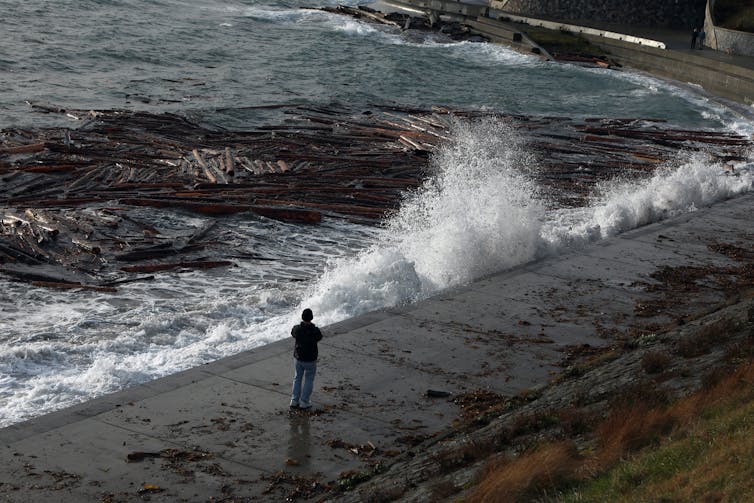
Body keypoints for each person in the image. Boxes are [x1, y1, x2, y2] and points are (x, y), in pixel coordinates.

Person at [290, 308, 322, 410]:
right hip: (310, 359)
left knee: (297, 378)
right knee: (309, 379)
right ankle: (304, 401)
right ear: (311, 318)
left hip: (299, 358)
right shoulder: (315, 330)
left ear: (302, 317)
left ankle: (294, 400)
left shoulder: (297, 329)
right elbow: (319, 337)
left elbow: (292, 333)